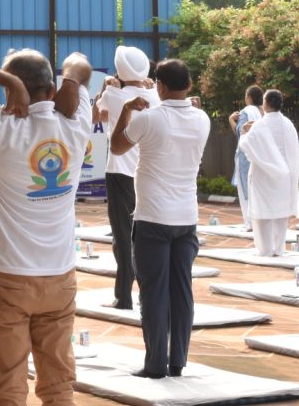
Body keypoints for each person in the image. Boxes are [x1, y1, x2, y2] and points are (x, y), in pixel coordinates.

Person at [0, 49, 92, 404]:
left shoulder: (1, 126)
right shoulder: (76, 121)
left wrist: (8, 82)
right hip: (59, 275)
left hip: (6, 277)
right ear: (51, 87)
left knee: (7, 385)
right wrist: (71, 82)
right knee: (59, 384)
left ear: (12, 92)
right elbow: (79, 60)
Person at [110, 59, 210, 379]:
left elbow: (116, 146)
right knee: (182, 291)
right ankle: (177, 361)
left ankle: (155, 364)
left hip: (153, 218)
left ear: (161, 86)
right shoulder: (203, 119)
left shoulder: (149, 118)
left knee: (153, 293)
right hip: (186, 218)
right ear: (189, 85)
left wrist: (126, 109)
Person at [92, 45, 159, 310]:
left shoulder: (113, 93)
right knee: (146, 235)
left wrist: (104, 87)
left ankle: (123, 297)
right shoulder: (155, 93)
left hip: (120, 172)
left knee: (122, 236)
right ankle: (147, 294)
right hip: (147, 173)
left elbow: (96, 117)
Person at [237, 89, 299, 257]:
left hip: (262, 174)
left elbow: (246, 146)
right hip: (284, 175)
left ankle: (264, 249)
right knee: (281, 213)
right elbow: (294, 152)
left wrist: (244, 133)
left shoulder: (260, 124)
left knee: (262, 214)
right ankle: (278, 249)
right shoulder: (288, 124)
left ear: (266, 103)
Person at [228, 86, 263, 229]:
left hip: (245, 154)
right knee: (258, 188)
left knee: (245, 189)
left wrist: (231, 119)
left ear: (249, 97)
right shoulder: (264, 112)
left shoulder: (245, 112)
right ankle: (259, 221)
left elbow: (240, 132)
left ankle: (249, 222)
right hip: (260, 155)